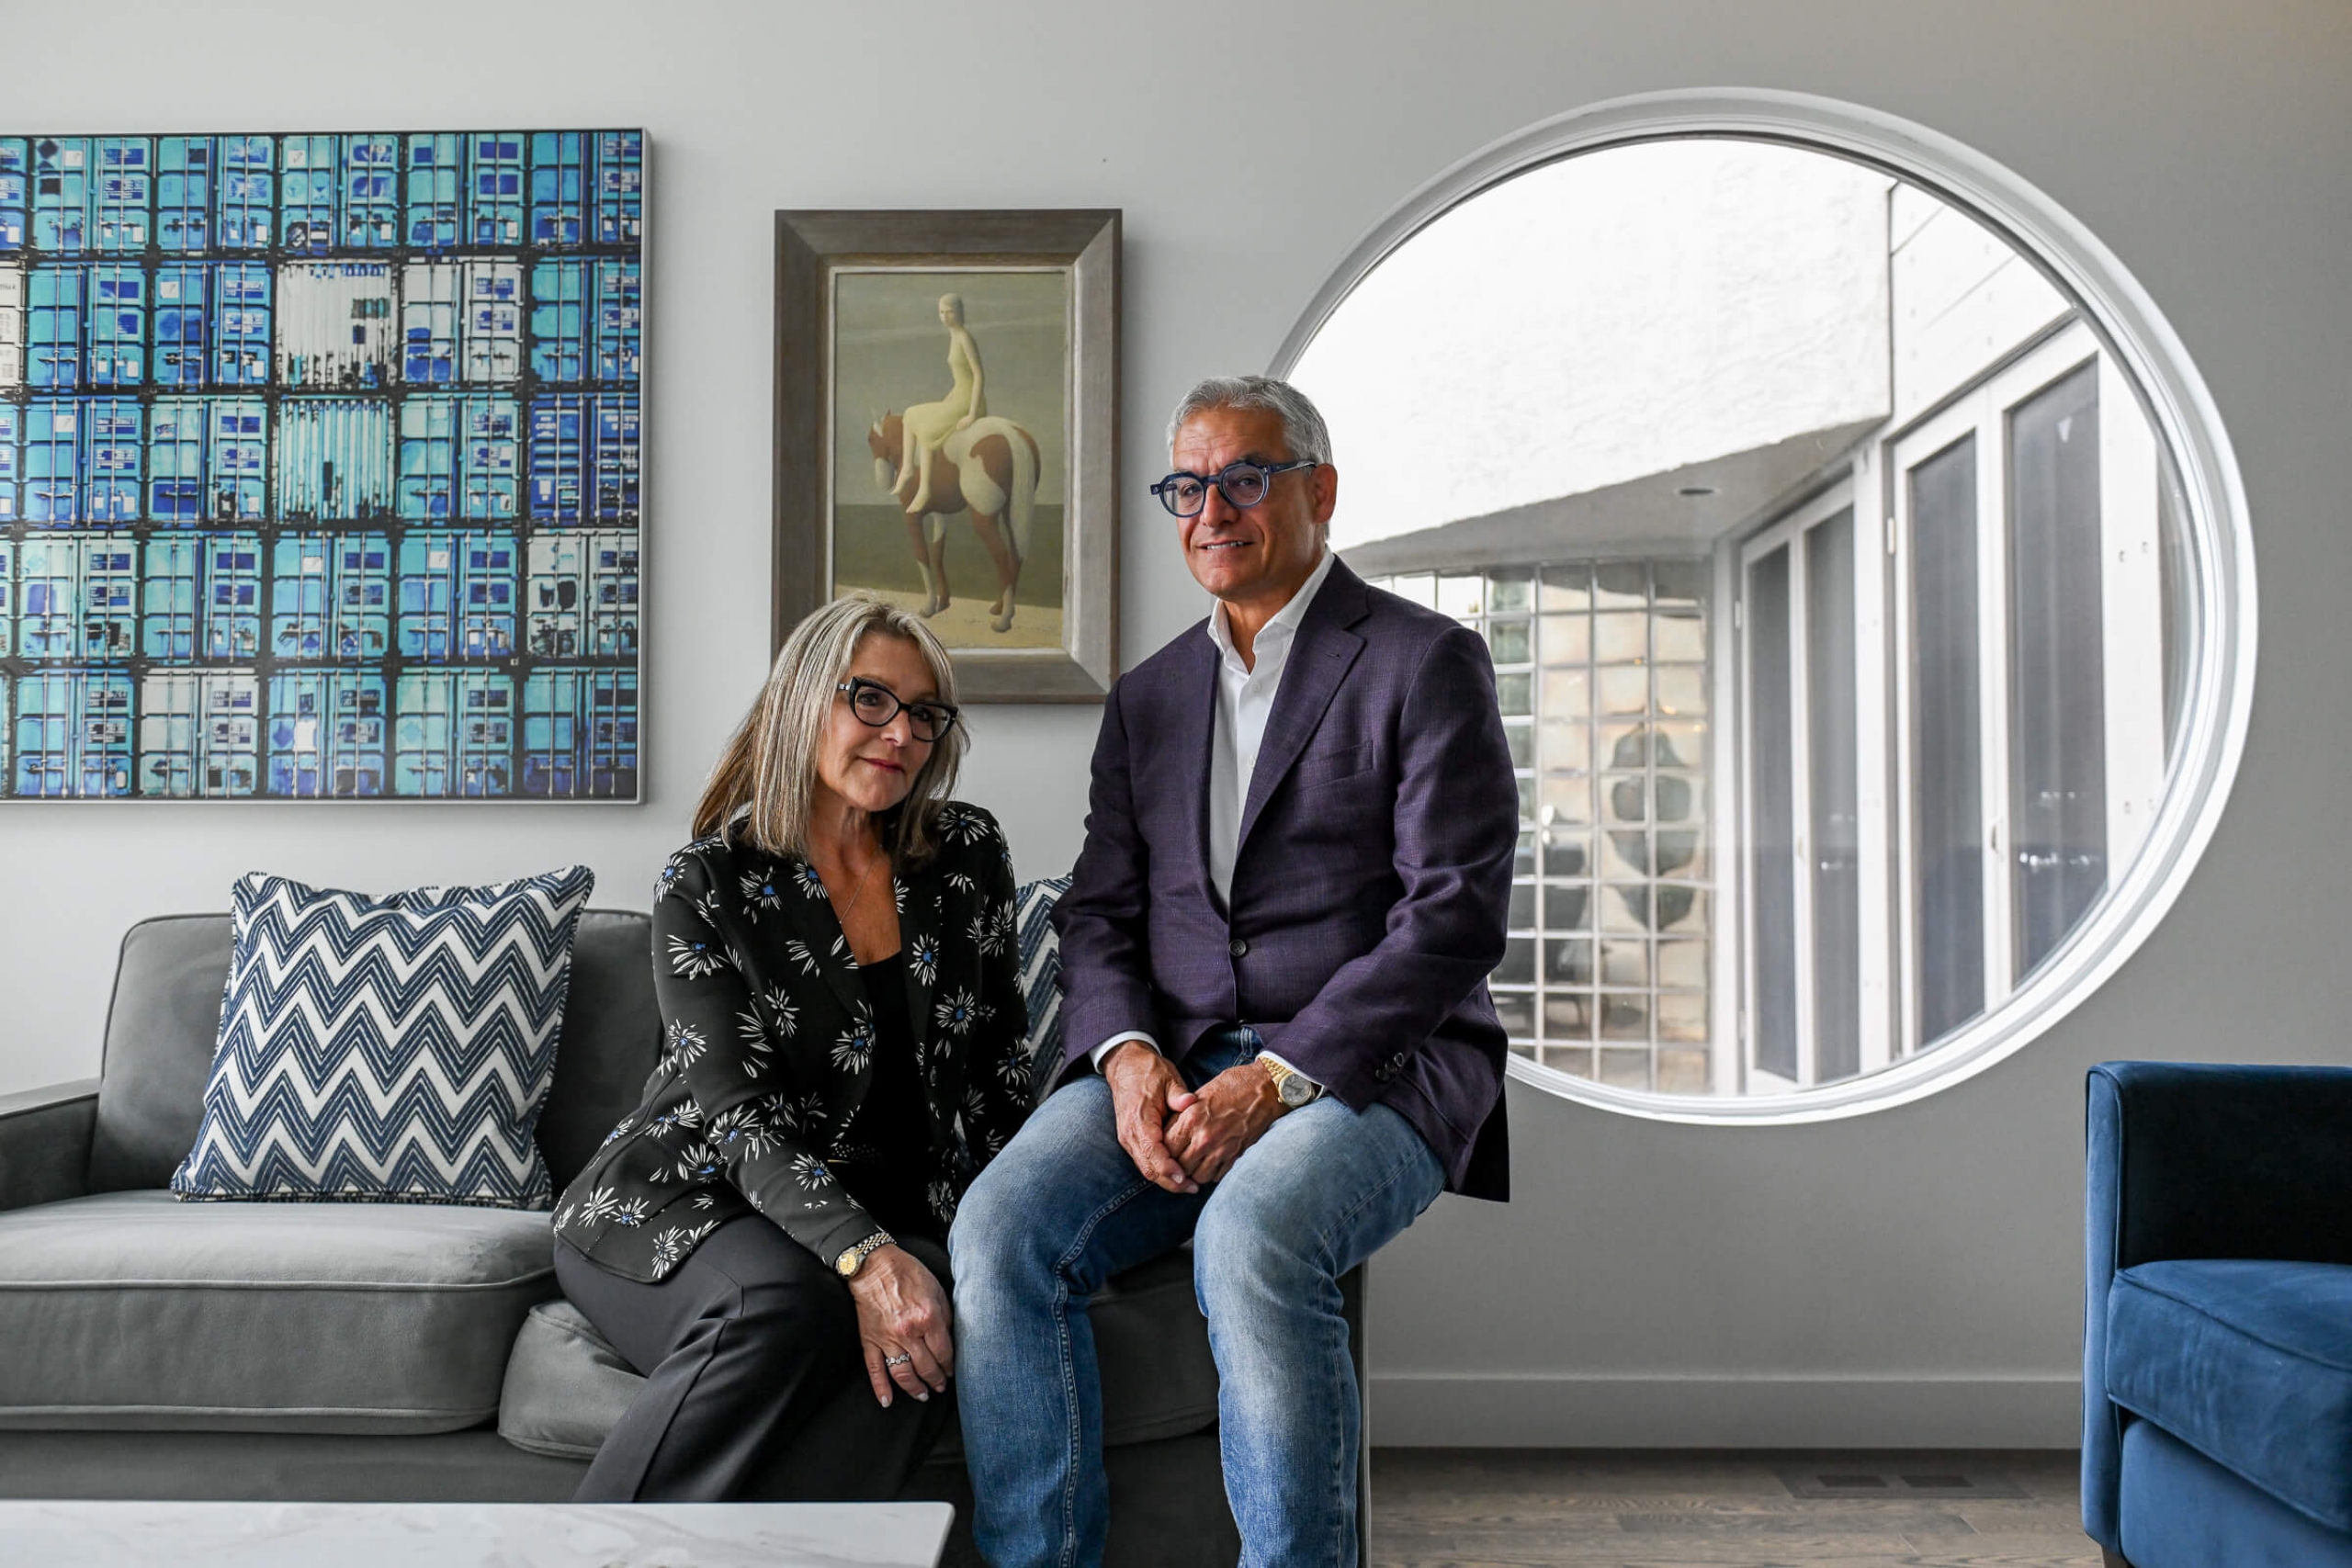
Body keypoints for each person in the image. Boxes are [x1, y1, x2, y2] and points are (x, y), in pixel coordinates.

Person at [950, 376, 1520, 1566]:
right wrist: (1127, 1056)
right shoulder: (1148, 698)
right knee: (999, 1225)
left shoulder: (1425, 660)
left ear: (1317, 488)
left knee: (1247, 1233)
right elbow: (1100, 910)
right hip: (1178, 1058)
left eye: (1245, 476)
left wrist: (1276, 1076)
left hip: (1376, 1071)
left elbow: (1453, 919)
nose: (1213, 508)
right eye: (1188, 485)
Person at [550, 592, 1032, 1502]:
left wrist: (1028, 1230)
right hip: (683, 1199)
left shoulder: (965, 856)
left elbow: (1001, 1079)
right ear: (804, 699)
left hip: (888, 1209)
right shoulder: (709, 881)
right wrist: (863, 1255)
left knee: (936, 1321)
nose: (902, 733)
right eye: (872, 700)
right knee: (781, 1305)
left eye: (926, 714)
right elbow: (738, 1121)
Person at [897, 293, 987, 519]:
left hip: (969, 403)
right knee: (910, 413)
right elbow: (960, 380)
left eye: (950, 312)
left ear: (959, 313)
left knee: (926, 429)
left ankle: (925, 489)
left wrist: (973, 414)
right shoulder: (953, 336)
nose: (945, 317)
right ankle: (908, 468)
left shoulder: (964, 337)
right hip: (957, 397)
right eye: (941, 312)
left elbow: (978, 376)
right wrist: (946, 401)